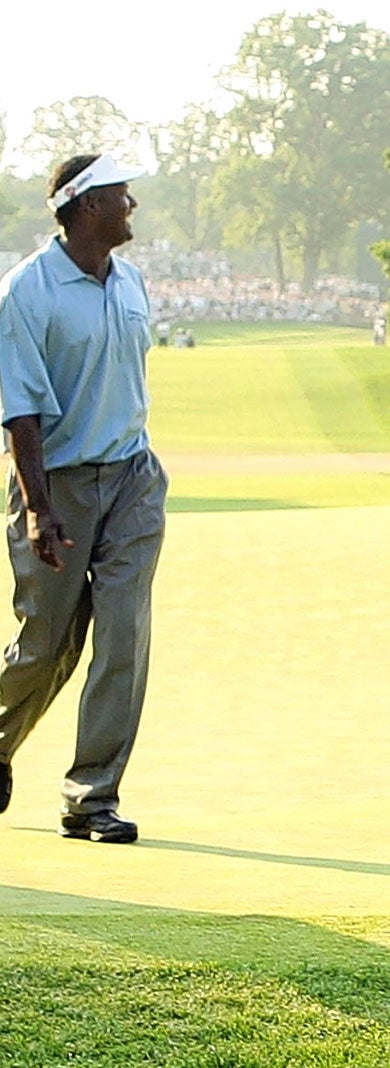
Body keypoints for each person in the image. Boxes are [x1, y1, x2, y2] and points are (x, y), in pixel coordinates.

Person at [0, 152, 167, 842]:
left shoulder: (129, 281)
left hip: (132, 477)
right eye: (122, 195)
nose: (133, 205)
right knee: (46, 644)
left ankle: (92, 796)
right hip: (56, 485)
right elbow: (21, 412)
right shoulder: (26, 292)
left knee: (123, 634)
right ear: (87, 205)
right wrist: (40, 507)